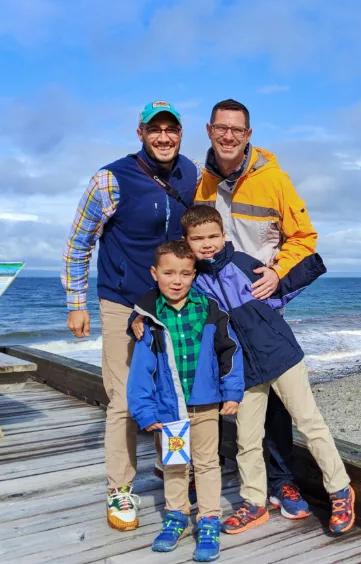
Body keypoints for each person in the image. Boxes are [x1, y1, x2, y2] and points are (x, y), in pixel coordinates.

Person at [61, 101, 199, 531]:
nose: (163, 137)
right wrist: (77, 303)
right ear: (140, 133)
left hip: (169, 301)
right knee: (123, 400)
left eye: (170, 129)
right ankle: (120, 488)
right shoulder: (109, 179)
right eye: (154, 129)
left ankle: (171, 472)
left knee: (171, 391)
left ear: (180, 133)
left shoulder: (190, 173)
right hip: (121, 300)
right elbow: (78, 244)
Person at [180, 205, 355, 536]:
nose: (207, 244)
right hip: (241, 370)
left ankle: (340, 490)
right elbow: (173, 304)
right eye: (197, 238)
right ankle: (254, 502)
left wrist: (310, 267)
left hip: (281, 355)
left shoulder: (243, 265)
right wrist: (139, 317)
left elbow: (280, 288)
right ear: (187, 242)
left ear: (224, 235)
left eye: (213, 236)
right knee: (246, 439)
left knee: (310, 424)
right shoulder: (196, 283)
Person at [194, 98, 317, 519]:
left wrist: (278, 273)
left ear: (249, 135)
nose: (228, 136)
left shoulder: (274, 179)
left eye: (237, 130)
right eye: (221, 128)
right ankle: (217, 474)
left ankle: (283, 481)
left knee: (278, 400)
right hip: (218, 309)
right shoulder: (200, 184)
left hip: (261, 304)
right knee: (226, 389)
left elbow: (304, 237)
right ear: (209, 130)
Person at [127, 240, 244, 561]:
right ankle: (176, 515)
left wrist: (232, 392)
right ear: (155, 273)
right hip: (169, 410)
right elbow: (140, 370)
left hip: (207, 405)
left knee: (207, 464)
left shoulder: (209, 309)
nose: (176, 280)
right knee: (175, 465)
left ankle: (208, 520)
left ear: (194, 275)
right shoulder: (150, 320)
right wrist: (144, 410)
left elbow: (230, 350)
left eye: (184, 273)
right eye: (168, 273)